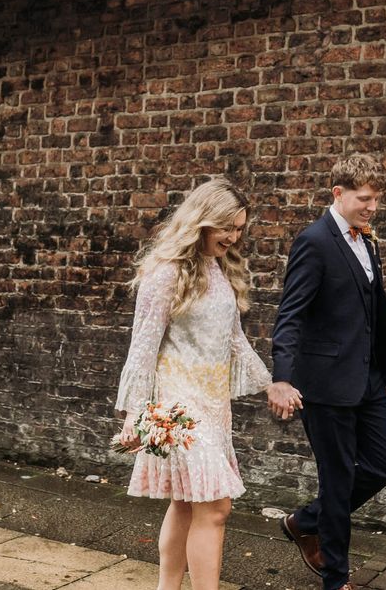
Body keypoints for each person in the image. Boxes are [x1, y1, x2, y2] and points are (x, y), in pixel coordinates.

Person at [115, 178, 272, 590]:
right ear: (203, 221)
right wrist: (134, 414)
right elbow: (143, 347)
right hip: (178, 408)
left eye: (239, 229)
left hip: (214, 405)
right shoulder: (164, 274)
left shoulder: (218, 269)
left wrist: (272, 384)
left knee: (185, 503)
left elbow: (234, 339)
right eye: (227, 228)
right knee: (216, 506)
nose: (234, 237)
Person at [267, 154, 386, 590]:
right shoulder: (314, 241)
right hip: (325, 383)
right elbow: (290, 315)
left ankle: (304, 521)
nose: (372, 207)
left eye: (376, 200)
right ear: (338, 194)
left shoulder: (366, 241)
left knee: (384, 466)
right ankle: (336, 578)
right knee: (338, 477)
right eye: (364, 199)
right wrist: (282, 378)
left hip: (367, 379)